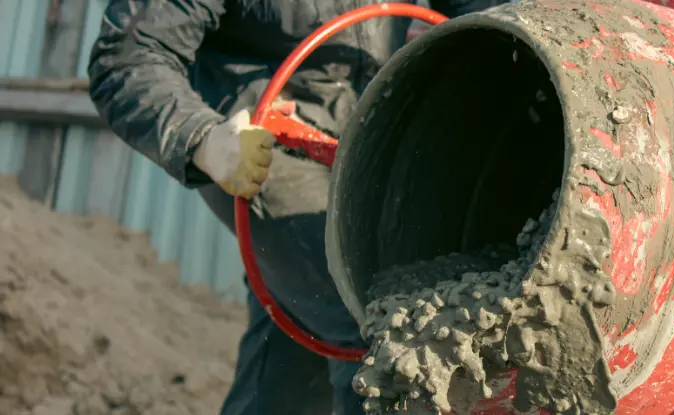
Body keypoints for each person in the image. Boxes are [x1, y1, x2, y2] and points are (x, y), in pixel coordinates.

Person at [87, 0, 508, 414]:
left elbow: (485, 10)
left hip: (372, 137)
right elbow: (126, 57)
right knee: (379, 325)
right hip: (259, 145)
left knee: (289, 360)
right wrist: (200, 138)